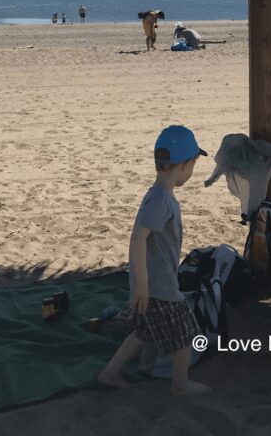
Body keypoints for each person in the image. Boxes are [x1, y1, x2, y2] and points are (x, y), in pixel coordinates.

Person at [97, 125, 210, 396]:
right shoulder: (160, 202)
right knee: (184, 334)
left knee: (143, 331)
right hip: (158, 286)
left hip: (153, 282)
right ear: (183, 166)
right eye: (193, 164)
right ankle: (180, 384)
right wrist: (144, 283)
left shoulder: (161, 196)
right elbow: (137, 238)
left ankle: (110, 373)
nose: (192, 171)